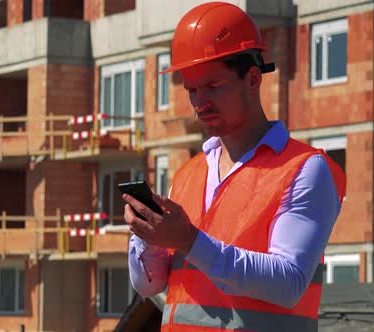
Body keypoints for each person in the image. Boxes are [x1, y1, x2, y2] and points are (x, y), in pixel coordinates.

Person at [123, 2, 346, 331]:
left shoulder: (305, 170)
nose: (200, 103)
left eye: (213, 86)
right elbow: (150, 286)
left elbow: (287, 283)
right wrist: (149, 237)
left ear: (253, 78)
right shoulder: (188, 175)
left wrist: (189, 240)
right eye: (192, 90)